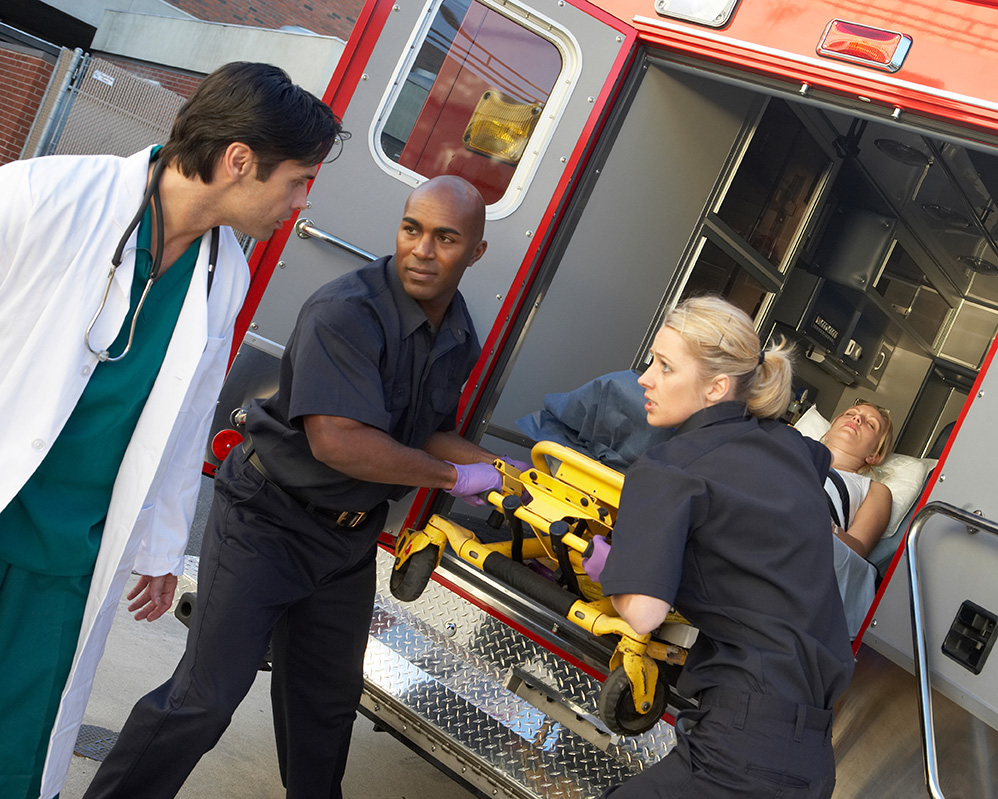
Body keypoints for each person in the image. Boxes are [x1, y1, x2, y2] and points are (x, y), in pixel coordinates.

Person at [82, 175, 508, 799]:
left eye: (446, 238)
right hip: (269, 523)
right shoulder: (347, 311)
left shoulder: (458, 331)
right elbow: (338, 440)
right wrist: (452, 477)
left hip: (348, 544)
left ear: (475, 252)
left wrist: (499, 474)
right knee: (205, 699)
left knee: (325, 710)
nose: (422, 249)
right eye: (412, 229)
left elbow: (428, 429)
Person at [0, 62, 341, 799]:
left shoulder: (226, 273)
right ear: (239, 160)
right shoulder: (46, 195)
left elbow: (187, 421)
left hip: (67, 553)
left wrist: (160, 542)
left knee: (17, 749)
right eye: (297, 180)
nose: (302, 200)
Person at [585, 295, 854, 799]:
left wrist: (615, 564)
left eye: (665, 367)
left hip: (740, 753)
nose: (645, 378)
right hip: (810, 755)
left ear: (717, 386)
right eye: (652, 361)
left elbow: (642, 614)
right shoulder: (796, 450)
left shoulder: (670, 470)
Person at [823, 399, 895, 558]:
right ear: (828, 433)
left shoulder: (874, 491)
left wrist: (818, 519)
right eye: (850, 414)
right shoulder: (795, 448)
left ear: (874, 455)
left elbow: (857, 550)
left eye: (871, 424)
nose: (857, 419)